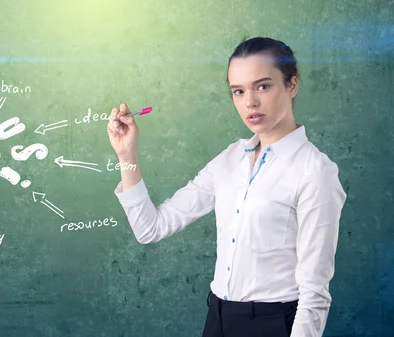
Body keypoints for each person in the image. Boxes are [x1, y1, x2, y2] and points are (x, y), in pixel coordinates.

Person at [106, 36, 347, 337]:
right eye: (238, 91)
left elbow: (315, 291)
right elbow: (150, 228)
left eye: (263, 86)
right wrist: (126, 155)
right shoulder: (230, 159)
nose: (250, 102)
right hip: (218, 319)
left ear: (291, 85)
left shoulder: (315, 171)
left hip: (273, 324)